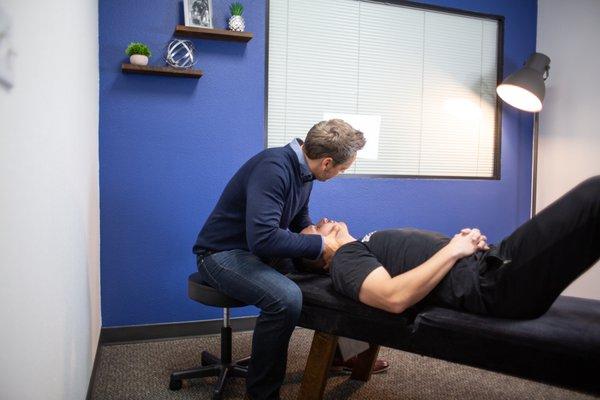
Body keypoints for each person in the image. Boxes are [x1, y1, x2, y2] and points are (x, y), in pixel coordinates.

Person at [194, 119, 385, 400]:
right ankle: (261, 394)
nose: (340, 174)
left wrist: (312, 230)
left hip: (260, 251)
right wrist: (320, 242)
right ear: (327, 163)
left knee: (340, 275)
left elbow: (297, 218)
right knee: (285, 300)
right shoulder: (273, 169)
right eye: (342, 169)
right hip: (222, 254)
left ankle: (344, 355)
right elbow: (263, 237)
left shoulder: (303, 171)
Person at [307, 176, 600, 319]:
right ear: (314, 254)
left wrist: (467, 245)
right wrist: (454, 250)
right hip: (493, 283)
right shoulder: (345, 260)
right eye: (312, 228)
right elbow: (393, 298)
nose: (322, 219)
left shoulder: (361, 247)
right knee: (594, 194)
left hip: (489, 264)